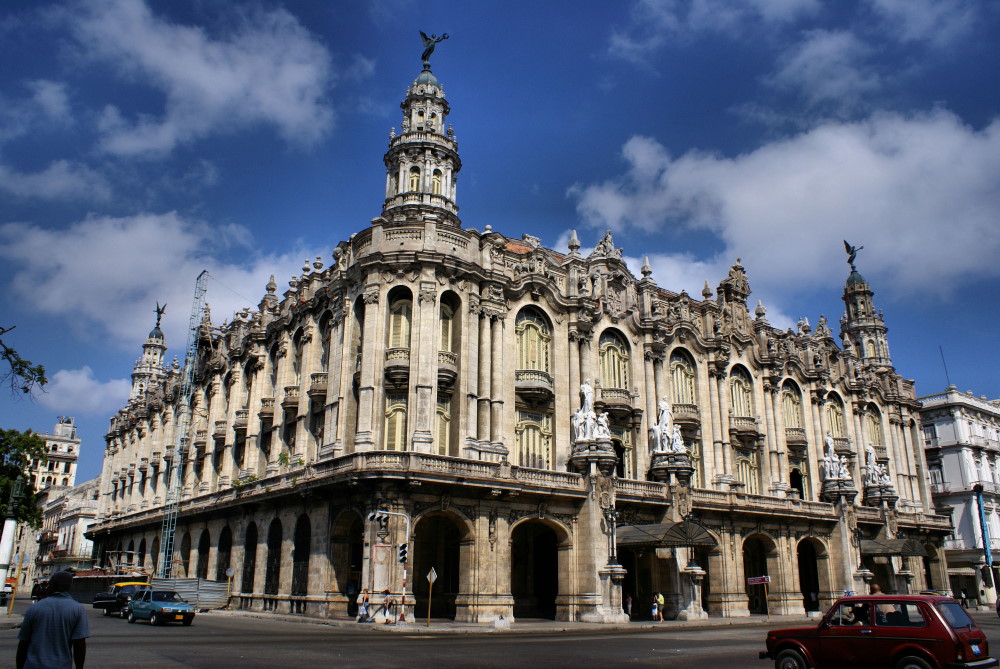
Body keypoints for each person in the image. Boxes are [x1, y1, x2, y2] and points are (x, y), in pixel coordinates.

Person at [17, 570, 88, 669]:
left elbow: (23, 643)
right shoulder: (77, 609)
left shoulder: (34, 608)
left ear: (51, 585)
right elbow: (79, 644)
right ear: (70, 587)